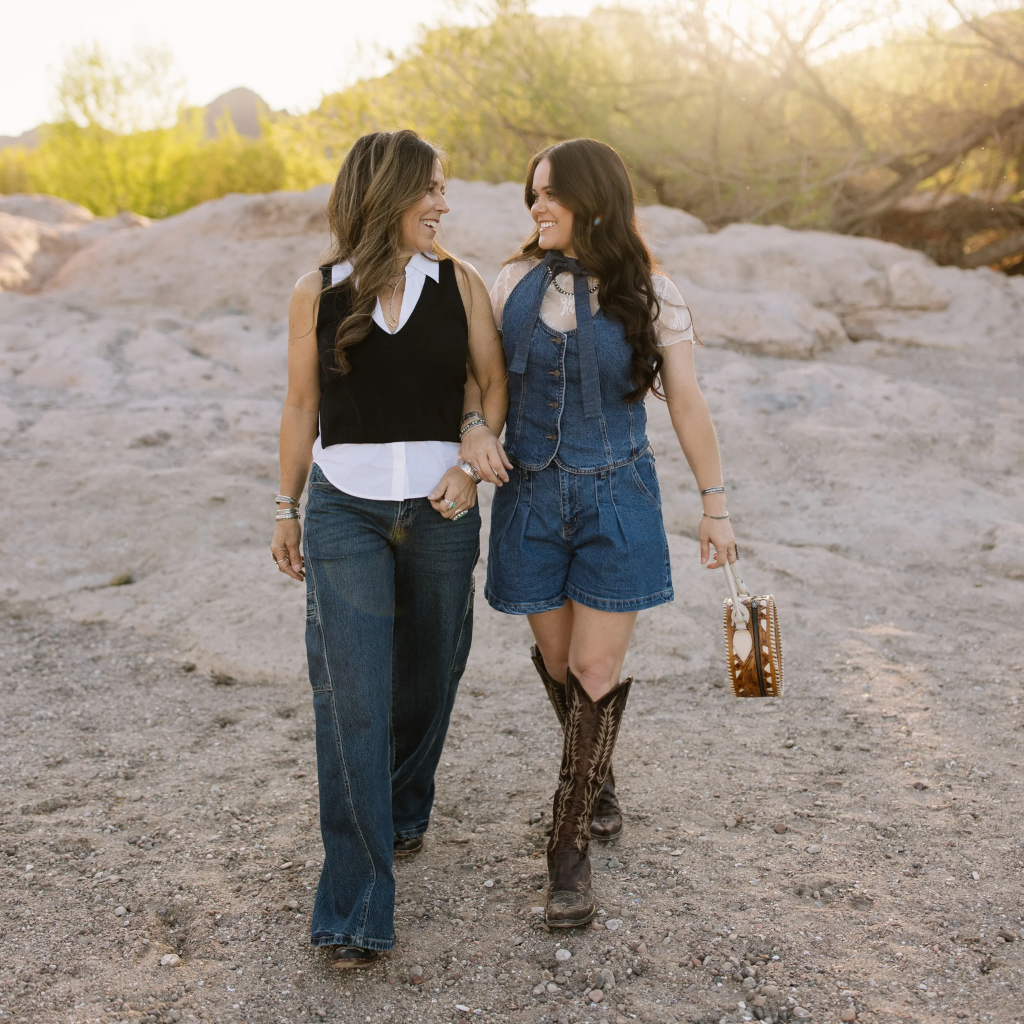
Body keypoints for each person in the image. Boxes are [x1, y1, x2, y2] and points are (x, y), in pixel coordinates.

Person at [269, 129, 510, 967]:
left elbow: (491, 382)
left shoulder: (461, 283)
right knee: (353, 700)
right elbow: (301, 406)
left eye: (444, 189)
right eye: (430, 189)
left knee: (429, 675)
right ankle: (355, 906)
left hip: (442, 509)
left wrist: (471, 461)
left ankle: (403, 805)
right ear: (387, 194)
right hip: (345, 511)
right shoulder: (316, 291)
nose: (444, 203)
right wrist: (286, 507)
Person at [483, 138, 738, 927]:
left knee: (595, 668)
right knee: (563, 665)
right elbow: (482, 384)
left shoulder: (652, 292)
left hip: (617, 499)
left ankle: (567, 855)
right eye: (532, 194)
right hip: (529, 497)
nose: (537, 206)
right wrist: (472, 430)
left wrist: (715, 505)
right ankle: (597, 777)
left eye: (550, 193)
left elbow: (686, 402)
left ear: (594, 199)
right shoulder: (510, 282)